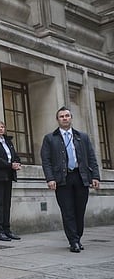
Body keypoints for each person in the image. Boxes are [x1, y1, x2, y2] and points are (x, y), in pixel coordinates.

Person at [41, 106, 100, 253]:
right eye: (61, 116)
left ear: (71, 118)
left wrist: (95, 176)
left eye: (67, 116)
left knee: (80, 210)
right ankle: (73, 241)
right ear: (57, 119)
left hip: (81, 177)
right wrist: (50, 178)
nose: (65, 118)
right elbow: (46, 160)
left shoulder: (82, 137)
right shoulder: (50, 138)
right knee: (67, 211)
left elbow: (91, 158)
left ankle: (77, 237)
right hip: (62, 179)